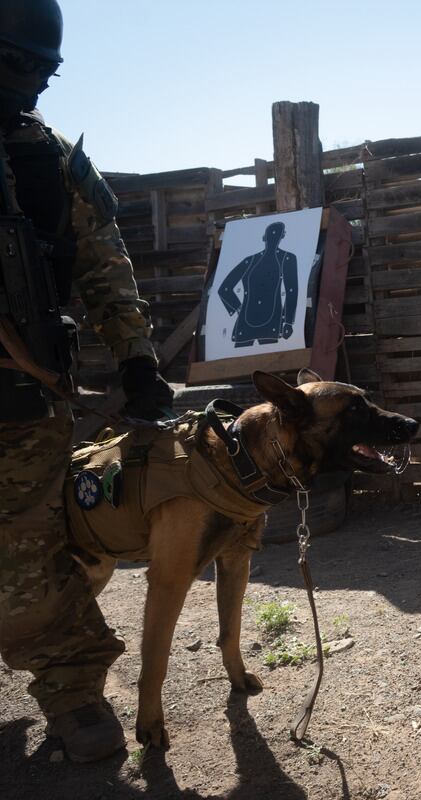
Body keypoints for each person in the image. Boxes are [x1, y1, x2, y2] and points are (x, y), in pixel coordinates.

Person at [0, 0, 172, 763]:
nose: (35, 88)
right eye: (18, 66)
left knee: (27, 557)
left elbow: (104, 262)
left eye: (46, 71)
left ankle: (71, 687)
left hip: (20, 400)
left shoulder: (49, 158)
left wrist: (136, 358)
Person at [217, 220, 299, 347]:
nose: (273, 237)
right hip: (247, 324)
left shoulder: (287, 258)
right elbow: (224, 289)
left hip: (270, 323)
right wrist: (238, 308)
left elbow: (291, 291)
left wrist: (288, 322)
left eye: (276, 234)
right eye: (272, 234)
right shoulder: (249, 261)